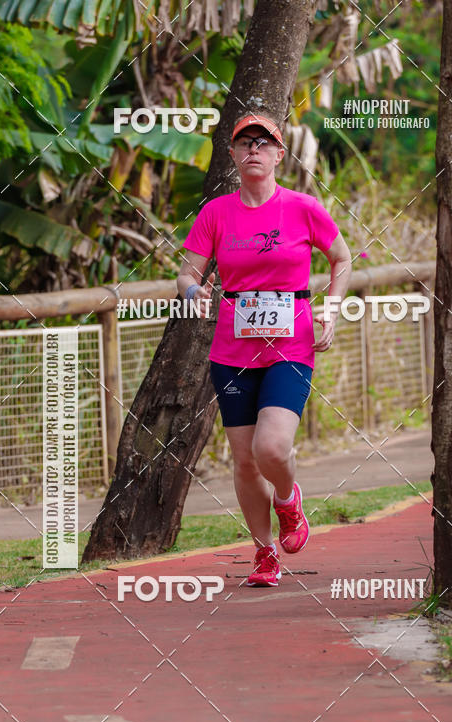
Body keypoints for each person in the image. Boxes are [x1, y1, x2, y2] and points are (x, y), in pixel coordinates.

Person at [177, 112, 351, 586]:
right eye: (244, 143)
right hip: (231, 350)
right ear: (232, 155)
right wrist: (194, 292)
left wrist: (330, 310)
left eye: (263, 142)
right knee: (245, 459)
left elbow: (341, 256)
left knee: (272, 447)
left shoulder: (303, 207)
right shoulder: (216, 212)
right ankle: (263, 551)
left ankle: (289, 500)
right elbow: (188, 273)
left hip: (291, 344)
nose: (254, 149)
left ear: (279, 154)